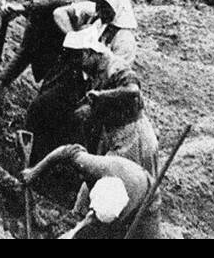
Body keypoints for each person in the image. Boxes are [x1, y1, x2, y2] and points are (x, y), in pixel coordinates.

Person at [67, 24, 159, 176]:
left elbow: (133, 90)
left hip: (132, 136)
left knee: (128, 186)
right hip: (113, 136)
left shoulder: (115, 65)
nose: (77, 63)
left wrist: (102, 96)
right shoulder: (94, 73)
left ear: (89, 52)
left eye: (78, 56)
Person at [21, 144, 161, 239]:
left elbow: (93, 223)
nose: (92, 217)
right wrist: (34, 172)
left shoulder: (122, 208)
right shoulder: (93, 166)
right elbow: (65, 151)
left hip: (148, 197)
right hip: (123, 174)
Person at [0, 0, 84, 93]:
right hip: (54, 70)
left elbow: (55, 0)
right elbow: (26, 50)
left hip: (74, 66)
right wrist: (2, 80)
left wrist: (24, 7)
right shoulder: (35, 10)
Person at [53, 0, 138, 66]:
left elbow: (117, 70)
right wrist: (73, 36)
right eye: (98, 6)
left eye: (104, 9)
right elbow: (59, 13)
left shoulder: (124, 39)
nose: (99, 12)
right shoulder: (94, 12)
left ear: (116, 8)